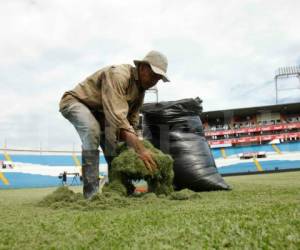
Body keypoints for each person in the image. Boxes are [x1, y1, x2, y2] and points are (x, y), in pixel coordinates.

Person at [59, 50, 170, 199]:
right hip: (76, 102)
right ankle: (91, 194)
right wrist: (141, 150)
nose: (153, 81)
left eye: (158, 78)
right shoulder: (118, 76)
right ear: (143, 67)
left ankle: (118, 187)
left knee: (116, 146)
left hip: (102, 114)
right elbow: (117, 119)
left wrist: (135, 144)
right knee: (93, 130)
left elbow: (132, 122)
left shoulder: (140, 91)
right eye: (153, 75)